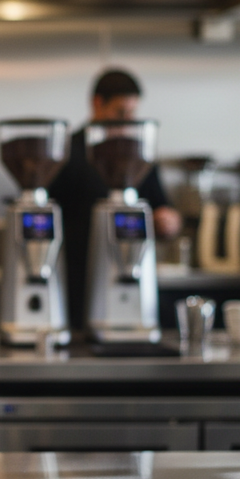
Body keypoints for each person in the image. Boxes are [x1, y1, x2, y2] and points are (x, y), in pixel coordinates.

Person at [48, 68, 182, 331]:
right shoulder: (67, 151)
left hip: (133, 272)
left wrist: (170, 222)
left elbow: (163, 208)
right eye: (121, 112)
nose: (128, 121)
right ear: (97, 103)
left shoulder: (139, 154)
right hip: (78, 281)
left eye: (132, 113)